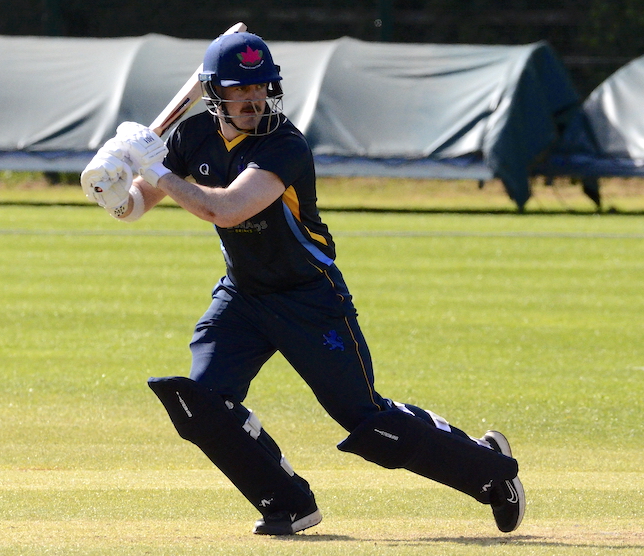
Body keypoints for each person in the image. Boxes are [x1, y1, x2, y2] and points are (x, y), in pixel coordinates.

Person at [80, 31, 524, 536]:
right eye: (240, 91)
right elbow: (135, 207)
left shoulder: (285, 145)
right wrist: (113, 188)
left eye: (263, 89)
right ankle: (287, 503)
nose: (254, 100)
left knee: (367, 422)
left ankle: (491, 470)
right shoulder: (191, 137)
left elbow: (225, 210)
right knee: (202, 403)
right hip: (242, 297)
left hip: (309, 297)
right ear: (213, 94)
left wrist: (154, 167)